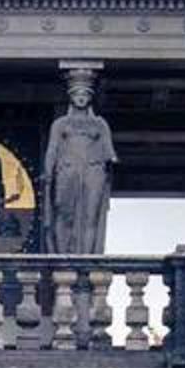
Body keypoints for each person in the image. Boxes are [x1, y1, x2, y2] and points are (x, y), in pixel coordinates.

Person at [45, 75, 116, 255]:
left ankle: (87, 256)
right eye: (77, 93)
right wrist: (48, 173)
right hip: (67, 170)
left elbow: (109, 150)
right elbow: (52, 149)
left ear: (90, 97)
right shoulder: (60, 124)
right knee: (64, 214)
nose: (81, 97)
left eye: (85, 94)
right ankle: (62, 256)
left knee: (91, 216)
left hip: (93, 169)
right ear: (71, 96)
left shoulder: (99, 123)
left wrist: (110, 160)